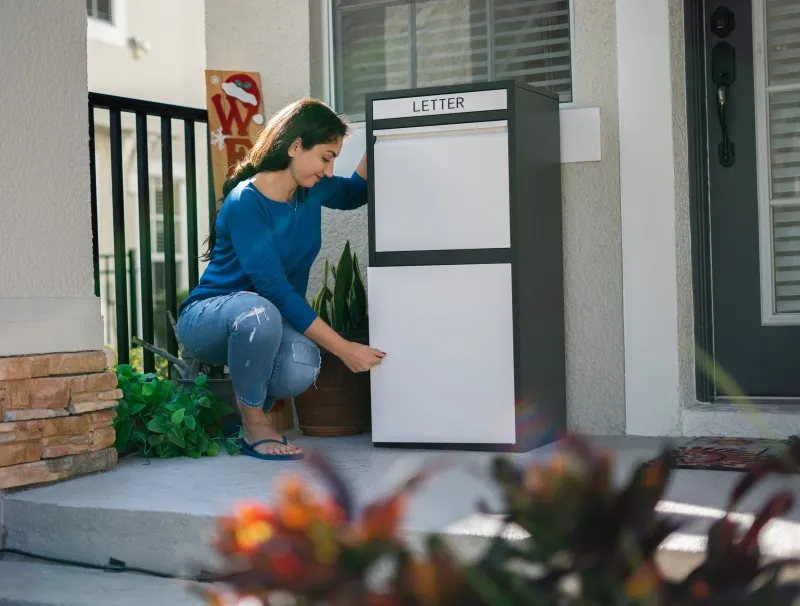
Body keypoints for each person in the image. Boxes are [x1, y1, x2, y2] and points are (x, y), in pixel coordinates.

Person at [177, 98, 386, 461]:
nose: (329, 168)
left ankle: (238, 408)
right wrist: (345, 349)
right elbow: (274, 289)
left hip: (263, 319)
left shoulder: (311, 189)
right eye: (325, 156)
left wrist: (383, 131)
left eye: (334, 157)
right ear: (294, 147)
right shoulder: (247, 202)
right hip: (209, 318)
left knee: (303, 363)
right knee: (261, 311)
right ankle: (255, 422)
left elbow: (356, 193)